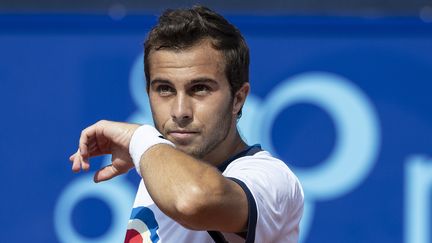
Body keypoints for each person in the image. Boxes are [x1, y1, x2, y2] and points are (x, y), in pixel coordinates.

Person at [69, 5, 303, 243]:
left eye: (200, 89)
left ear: (238, 99)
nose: (180, 112)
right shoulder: (161, 168)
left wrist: (140, 139)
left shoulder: (272, 179)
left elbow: (192, 201)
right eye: (165, 89)